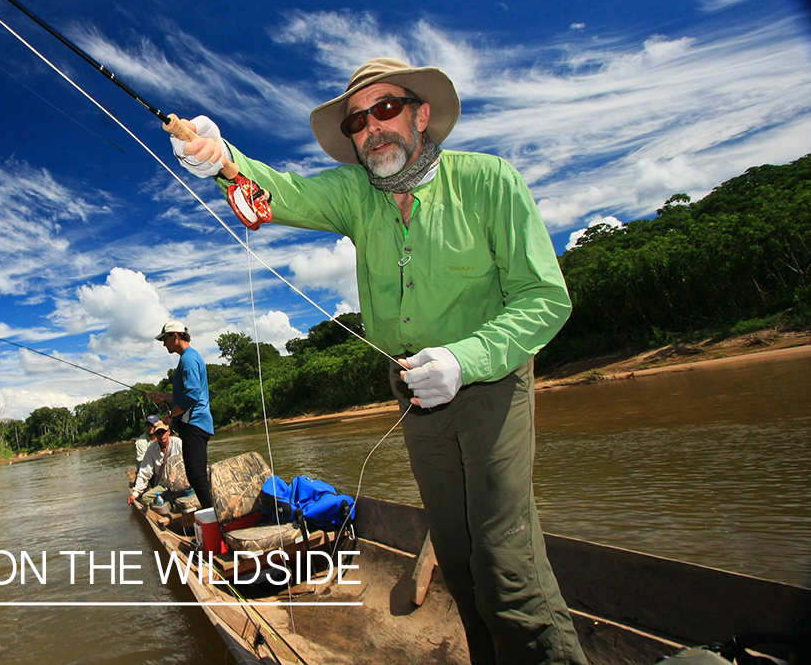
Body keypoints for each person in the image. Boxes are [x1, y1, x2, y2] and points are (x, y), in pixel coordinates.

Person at [168, 58, 586, 665]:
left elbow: (545, 299)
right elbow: (281, 190)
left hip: (492, 381)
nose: (371, 128)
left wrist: (463, 360)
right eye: (357, 121)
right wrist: (222, 157)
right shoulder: (356, 194)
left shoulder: (491, 181)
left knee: (507, 563)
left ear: (421, 115)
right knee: (458, 554)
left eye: (386, 109)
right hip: (414, 390)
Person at [146, 321, 215, 509]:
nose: (163, 344)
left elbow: (192, 395)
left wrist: (169, 416)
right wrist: (164, 397)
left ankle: (216, 521)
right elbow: (187, 394)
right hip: (195, 424)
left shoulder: (188, 359)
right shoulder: (189, 358)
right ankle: (215, 516)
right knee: (196, 475)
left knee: (196, 476)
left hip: (194, 424)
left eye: (165, 339)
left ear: (175, 336)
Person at [127, 421, 182, 508]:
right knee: (145, 498)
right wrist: (136, 493)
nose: (161, 435)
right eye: (158, 433)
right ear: (155, 435)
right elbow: (144, 471)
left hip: (180, 482)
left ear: (168, 432)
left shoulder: (178, 443)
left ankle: (168, 502)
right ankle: (165, 504)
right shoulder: (151, 449)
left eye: (163, 432)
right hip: (165, 485)